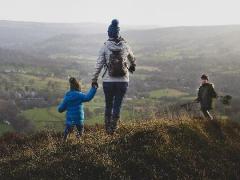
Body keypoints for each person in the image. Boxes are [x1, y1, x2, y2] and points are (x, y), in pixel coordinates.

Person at [92, 19, 136, 134]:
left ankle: (107, 130)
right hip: (123, 81)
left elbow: (99, 65)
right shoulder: (125, 45)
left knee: (109, 105)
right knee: (117, 105)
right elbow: (132, 58)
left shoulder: (105, 46)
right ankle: (114, 129)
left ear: (109, 33)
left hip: (108, 81)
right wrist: (132, 66)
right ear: (118, 33)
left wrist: (94, 79)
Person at [58, 77, 97, 141]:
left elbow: (60, 109)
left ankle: (63, 144)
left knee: (66, 134)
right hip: (79, 121)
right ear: (78, 86)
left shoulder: (67, 97)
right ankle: (79, 145)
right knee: (79, 136)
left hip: (70, 121)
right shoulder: (79, 95)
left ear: (70, 87)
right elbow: (88, 97)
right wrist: (94, 88)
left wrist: (61, 107)